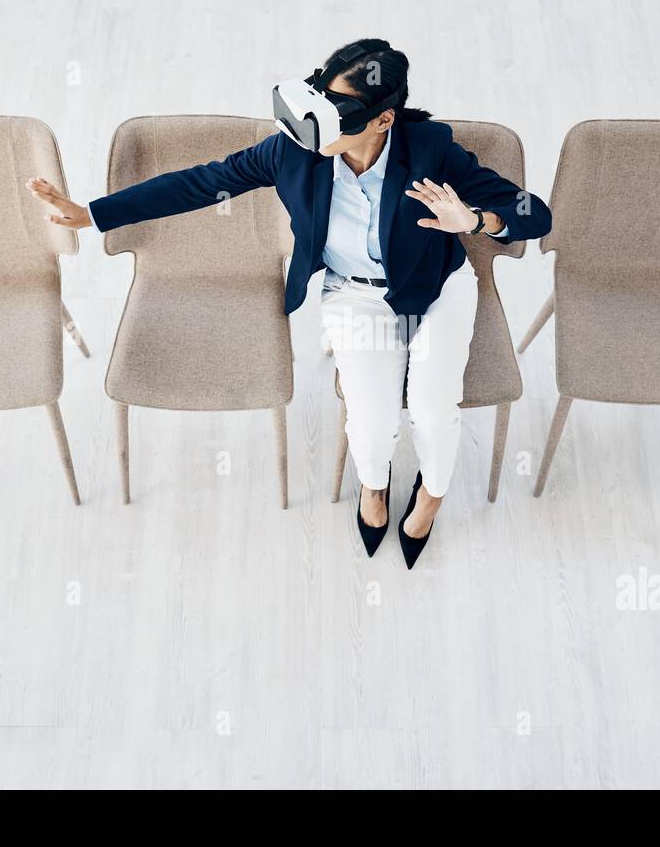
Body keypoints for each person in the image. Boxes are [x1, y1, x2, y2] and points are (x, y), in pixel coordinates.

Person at [27, 38, 551, 568]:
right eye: (319, 96)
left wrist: (478, 221)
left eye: (337, 109)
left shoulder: (431, 149)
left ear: (384, 119)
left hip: (435, 289)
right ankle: (374, 488)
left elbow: (534, 211)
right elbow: (203, 182)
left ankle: (431, 496)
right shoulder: (292, 153)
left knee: (434, 413)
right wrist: (94, 213)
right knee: (371, 422)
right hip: (354, 295)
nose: (314, 119)